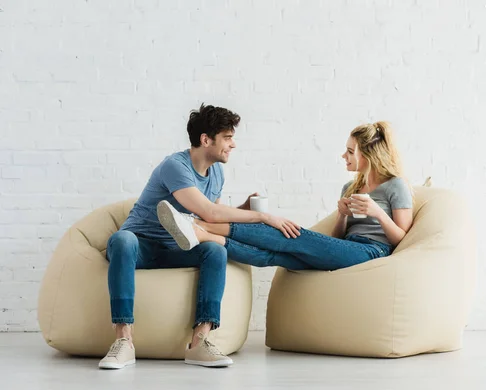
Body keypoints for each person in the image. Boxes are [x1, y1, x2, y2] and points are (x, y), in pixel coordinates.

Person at [99, 104, 300, 370]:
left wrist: (243, 209)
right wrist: (264, 217)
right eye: (227, 138)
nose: (233, 144)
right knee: (124, 239)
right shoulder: (175, 166)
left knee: (215, 250)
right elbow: (209, 211)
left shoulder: (216, 172)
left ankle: (200, 341)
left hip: (176, 248)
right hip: (140, 246)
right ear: (206, 140)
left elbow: (208, 220)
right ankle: (123, 341)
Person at [156, 121, 414, 272]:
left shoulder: (395, 186)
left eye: (349, 152)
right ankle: (206, 235)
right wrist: (343, 216)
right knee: (276, 257)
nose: (343, 156)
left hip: (373, 252)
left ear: (368, 154)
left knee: (292, 237)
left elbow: (402, 239)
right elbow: (337, 239)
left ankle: (200, 225)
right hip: (347, 248)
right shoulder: (350, 187)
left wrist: (377, 213)